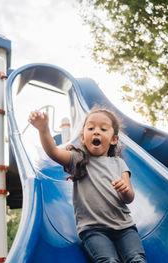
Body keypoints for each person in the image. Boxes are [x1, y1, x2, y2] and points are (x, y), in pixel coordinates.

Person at [29, 107, 146, 263]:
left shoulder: (119, 163)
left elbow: (129, 197)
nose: (96, 132)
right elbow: (54, 153)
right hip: (93, 230)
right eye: (91, 128)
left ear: (114, 140)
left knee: (137, 259)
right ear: (83, 137)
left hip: (124, 227)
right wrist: (43, 130)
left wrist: (125, 190)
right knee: (109, 261)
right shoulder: (78, 159)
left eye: (103, 129)